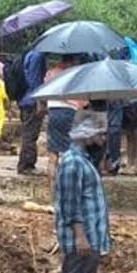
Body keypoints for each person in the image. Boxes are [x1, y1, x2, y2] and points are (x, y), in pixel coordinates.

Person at [52, 119, 112, 273]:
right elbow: (71, 204)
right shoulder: (73, 163)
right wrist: (81, 236)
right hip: (83, 239)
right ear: (87, 134)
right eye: (101, 134)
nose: (103, 139)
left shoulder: (84, 161)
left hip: (89, 236)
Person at [43, 55, 81, 189]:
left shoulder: (51, 73)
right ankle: (68, 189)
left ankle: (52, 192)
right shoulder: (75, 73)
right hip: (69, 111)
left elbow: (44, 90)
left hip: (53, 110)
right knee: (68, 152)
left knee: (53, 153)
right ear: (72, 60)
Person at [16, 49, 47, 175]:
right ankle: (26, 165)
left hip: (24, 99)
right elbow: (34, 80)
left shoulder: (28, 53)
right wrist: (40, 101)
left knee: (28, 132)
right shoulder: (38, 56)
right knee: (30, 133)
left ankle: (26, 163)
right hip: (31, 101)